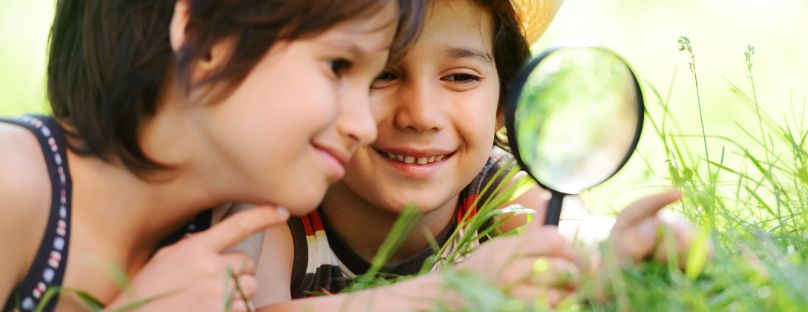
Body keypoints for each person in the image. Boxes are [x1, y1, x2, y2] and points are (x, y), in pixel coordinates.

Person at [245, 0, 702, 310]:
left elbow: (569, 238)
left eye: (461, 77)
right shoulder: (275, 204)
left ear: (505, 104)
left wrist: (616, 248)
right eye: (382, 74)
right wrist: (449, 293)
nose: (421, 115)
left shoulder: (497, 187)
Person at [0, 0, 426, 311]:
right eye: (338, 66)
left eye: (372, 80)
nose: (365, 125)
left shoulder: (232, 224)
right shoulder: (15, 180)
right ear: (206, 41)